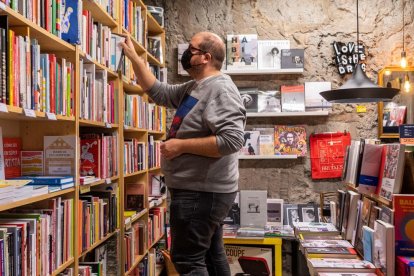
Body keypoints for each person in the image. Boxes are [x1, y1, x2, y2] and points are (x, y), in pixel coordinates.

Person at [120, 32, 246, 276]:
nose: (186, 53)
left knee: (187, 261)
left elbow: (232, 140)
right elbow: (160, 92)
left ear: (206, 57)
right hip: (201, 190)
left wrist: (181, 145)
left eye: (192, 49)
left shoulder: (220, 89)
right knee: (210, 255)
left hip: (201, 192)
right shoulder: (196, 86)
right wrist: (134, 57)